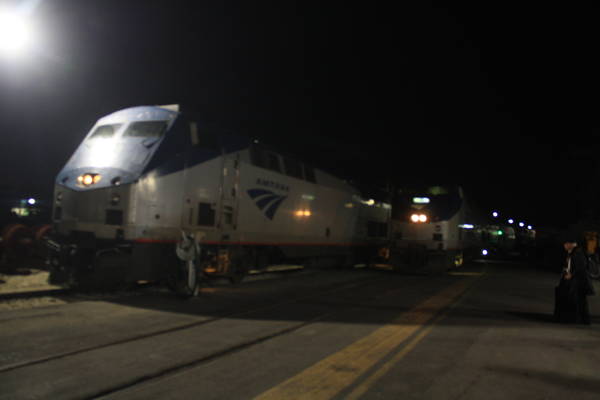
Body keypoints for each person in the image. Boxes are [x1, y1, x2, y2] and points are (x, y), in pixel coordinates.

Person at [554, 237, 595, 324]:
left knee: (578, 301)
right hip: (577, 282)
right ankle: (581, 320)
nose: (564, 246)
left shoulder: (577, 253)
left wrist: (571, 274)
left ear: (570, 244)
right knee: (579, 301)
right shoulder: (574, 252)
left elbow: (581, 267)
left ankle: (579, 320)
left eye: (565, 244)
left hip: (579, 282)